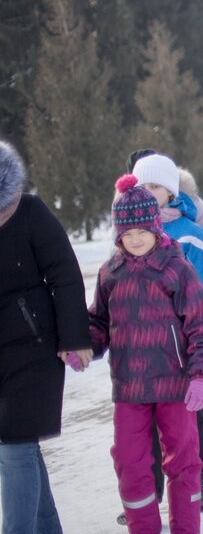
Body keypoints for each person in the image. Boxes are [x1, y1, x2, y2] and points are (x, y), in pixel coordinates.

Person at [89, 175, 203, 534]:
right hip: (129, 389)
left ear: (155, 227)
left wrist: (200, 375)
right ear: (118, 233)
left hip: (174, 387)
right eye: (127, 233)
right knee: (131, 466)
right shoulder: (110, 273)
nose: (135, 239)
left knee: (183, 464)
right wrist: (83, 345)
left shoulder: (176, 268)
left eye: (141, 232)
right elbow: (99, 322)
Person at [0, 141, 90, 534]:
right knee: (18, 448)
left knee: (15, 447)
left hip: (34, 350)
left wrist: (75, 337)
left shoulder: (30, 212)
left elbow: (66, 274)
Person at [129, 153, 203, 512]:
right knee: (147, 423)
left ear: (170, 192)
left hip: (186, 346)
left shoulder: (191, 236)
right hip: (143, 349)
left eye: (155, 186)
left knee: (198, 412)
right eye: (142, 186)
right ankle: (149, 491)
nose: (148, 192)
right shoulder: (130, 239)